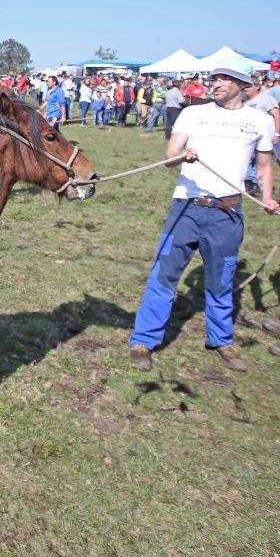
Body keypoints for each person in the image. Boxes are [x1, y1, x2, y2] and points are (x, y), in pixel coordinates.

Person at [127, 60, 279, 373]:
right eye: (214, 78)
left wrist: (266, 197)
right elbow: (170, 156)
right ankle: (143, 339)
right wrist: (181, 155)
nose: (217, 83)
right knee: (163, 274)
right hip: (186, 208)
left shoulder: (260, 120)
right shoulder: (193, 113)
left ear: (242, 85)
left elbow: (264, 165)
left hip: (228, 212)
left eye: (224, 79)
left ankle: (221, 339)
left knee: (221, 279)